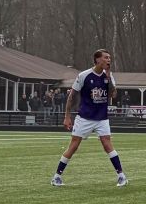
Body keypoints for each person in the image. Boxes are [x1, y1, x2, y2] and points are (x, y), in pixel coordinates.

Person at [53, 51, 127, 187]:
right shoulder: (84, 75)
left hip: (102, 118)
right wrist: (67, 116)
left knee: (107, 144)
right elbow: (72, 96)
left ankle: (121, 176)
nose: (109, 60)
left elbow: (113, 95)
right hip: (84, 118)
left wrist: (109, 77)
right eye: (106, 57)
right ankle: (57, 176)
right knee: (73, 146)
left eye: (110, 58)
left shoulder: (109, 75)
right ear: (97, 60)